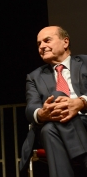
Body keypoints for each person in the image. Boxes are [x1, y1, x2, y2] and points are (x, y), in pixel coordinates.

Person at [20, 26, 87, 177]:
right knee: (57, 98)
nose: (42, 46)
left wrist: (81, 102)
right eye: (39, 44)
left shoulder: (85, 62)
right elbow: (31, 107)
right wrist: (41, 113)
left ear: (65, 42)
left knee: (48, 130)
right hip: (56, 121)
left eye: (47, 40)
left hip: (85, 119)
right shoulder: (34, 76)